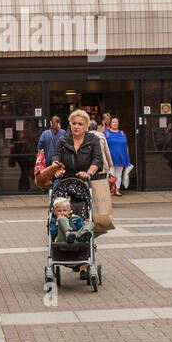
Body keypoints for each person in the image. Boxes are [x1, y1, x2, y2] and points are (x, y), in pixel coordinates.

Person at [47, 109, 104, 278]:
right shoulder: (63, 140)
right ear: (70, 124)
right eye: (74, 124)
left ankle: (84, 265)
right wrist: (56, 168)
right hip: (65, 184)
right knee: (59, 214)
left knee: (85, 216)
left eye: (80, 124)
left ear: (87, 126)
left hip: (84, 183)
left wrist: (89, 172)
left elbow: (97, 160)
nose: (76, 127)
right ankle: (61, 249)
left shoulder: (92, 140)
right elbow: (56, 157)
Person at [105, 117, 130, 195]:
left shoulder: (122, 133)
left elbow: (126, 145)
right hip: (110, 158)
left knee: (118, 175)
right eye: (113, 122)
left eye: (116, 122)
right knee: (111, 175)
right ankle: (111, 190)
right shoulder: (106, 133)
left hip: (121, 157)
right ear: (110, 124)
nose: (115, 124)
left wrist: (127, 156)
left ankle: (117, 190)